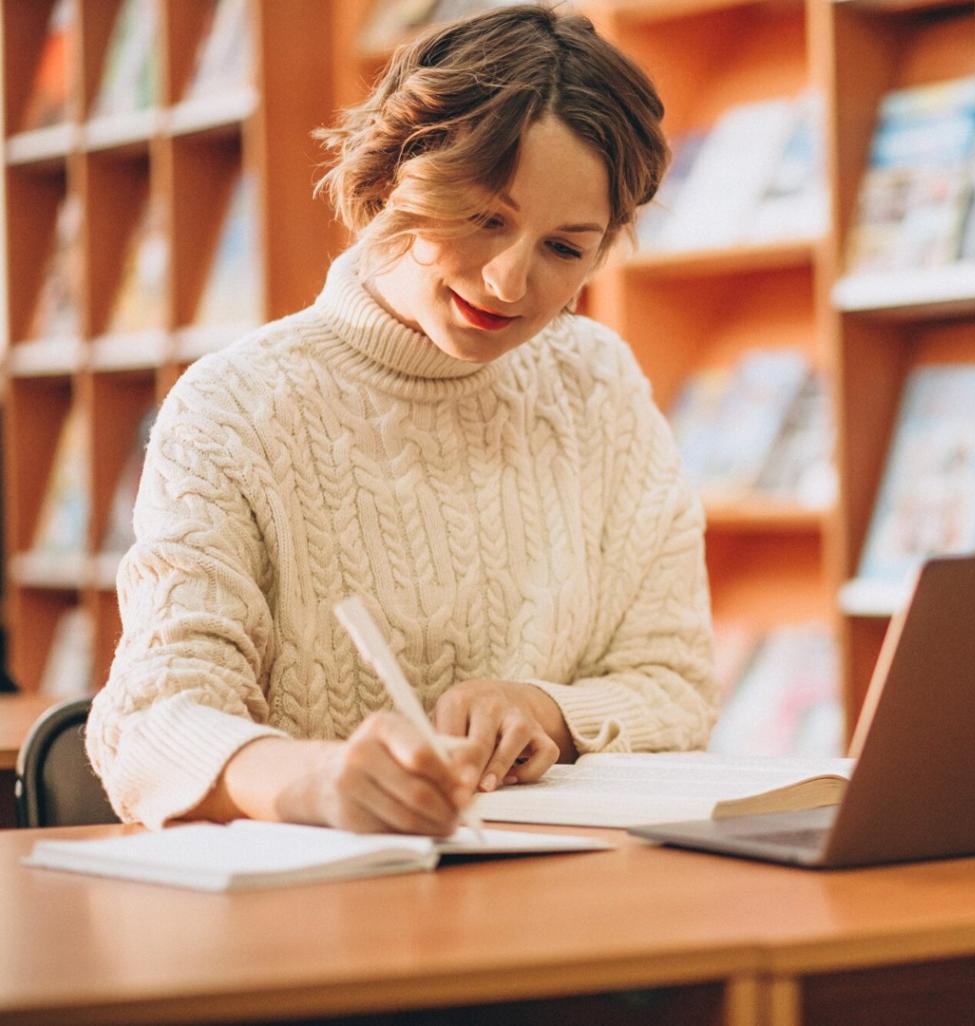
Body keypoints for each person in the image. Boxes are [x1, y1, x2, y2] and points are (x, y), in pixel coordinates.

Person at [86, 5, 716, 836]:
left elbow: (676, 684)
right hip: (323, 914)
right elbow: (151, 721)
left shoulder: (595, 384)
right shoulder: (234, 409)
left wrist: (546, 711)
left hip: (556, 903)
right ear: (390, 174)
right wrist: (313, 780)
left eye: (564, 249)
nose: (505, 281)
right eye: (483, 218)